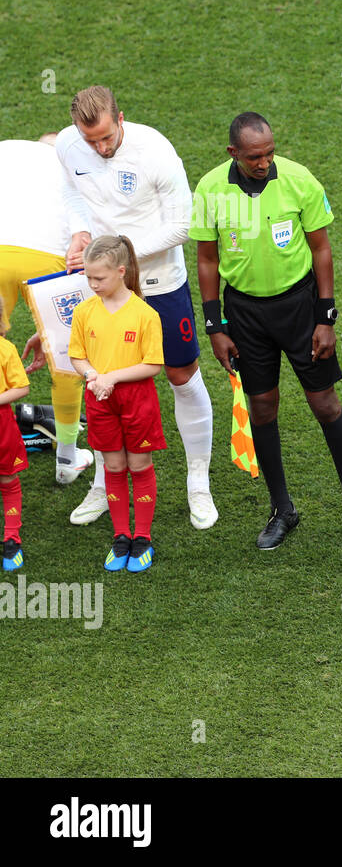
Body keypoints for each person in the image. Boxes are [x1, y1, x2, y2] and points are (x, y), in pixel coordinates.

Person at [191, 113, 342, 550]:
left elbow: (321, 249)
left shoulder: (298, 180)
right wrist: (215, 325)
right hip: (245, 313)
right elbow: (206, 261)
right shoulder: (209, 189)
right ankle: (282, 509)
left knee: (325, 404)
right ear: (232, 153)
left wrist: (325, 318)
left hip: (299, 306)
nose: (264, 162)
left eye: (270, 152)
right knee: (262, 406)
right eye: (255, 156)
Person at [56, 86, 216, 530]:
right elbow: (71, 193)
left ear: (121, 117)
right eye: (92, 142)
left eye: (107, 137)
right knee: (102, 380)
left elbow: (183, 227)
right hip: (105, 283)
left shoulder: (157, 152)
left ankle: (197, 481)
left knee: (181, 375)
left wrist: (121, 256)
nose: (100, 148)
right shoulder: (71, 146)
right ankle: (103, 483)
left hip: (160, 281)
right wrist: (77, 232)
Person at [68, 236, 164, 573]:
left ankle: (143, 537)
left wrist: (112, 378)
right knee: (113, 466)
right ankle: (121, 536)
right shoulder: (84, 312)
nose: (92, 284)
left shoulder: (144, 314)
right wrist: (93, 375)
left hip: (136, 400)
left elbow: (153, 364)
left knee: (138, 467)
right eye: (89, 278)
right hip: (99, 398)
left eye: (99, 278)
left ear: (121, 272)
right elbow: (77, 356)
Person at [0, 134, 93, 484]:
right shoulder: (70, 165)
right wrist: (48, 330)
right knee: (67, 357)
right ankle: (68, 458)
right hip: (48, 259)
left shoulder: (6, 148)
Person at [0, 297, 31, 572]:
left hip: (2, 427)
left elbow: (21, 389)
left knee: (8, 479)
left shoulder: (5, 349)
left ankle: (12, 538)